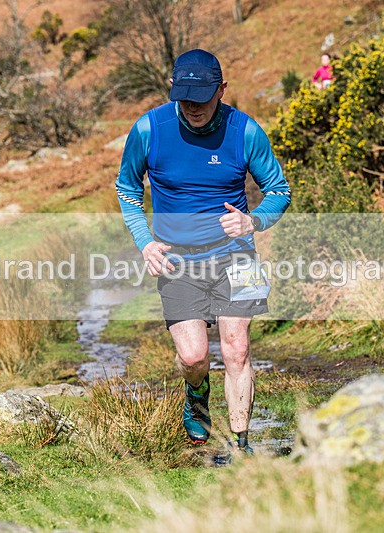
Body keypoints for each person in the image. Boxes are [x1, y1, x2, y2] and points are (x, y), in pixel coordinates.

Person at [115, 49, 291, 454]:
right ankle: (196, 394)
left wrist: (253, 221)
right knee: (193, 357)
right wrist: (146, 242)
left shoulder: (245, 131)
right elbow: (127, 189)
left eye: (203, 97)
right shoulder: (149, 129)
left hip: (237, 256)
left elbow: (279, 192)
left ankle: (240, 443)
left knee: (238, 348)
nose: (193, 107)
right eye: (185, 98)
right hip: (178, 259)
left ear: (222, 89)